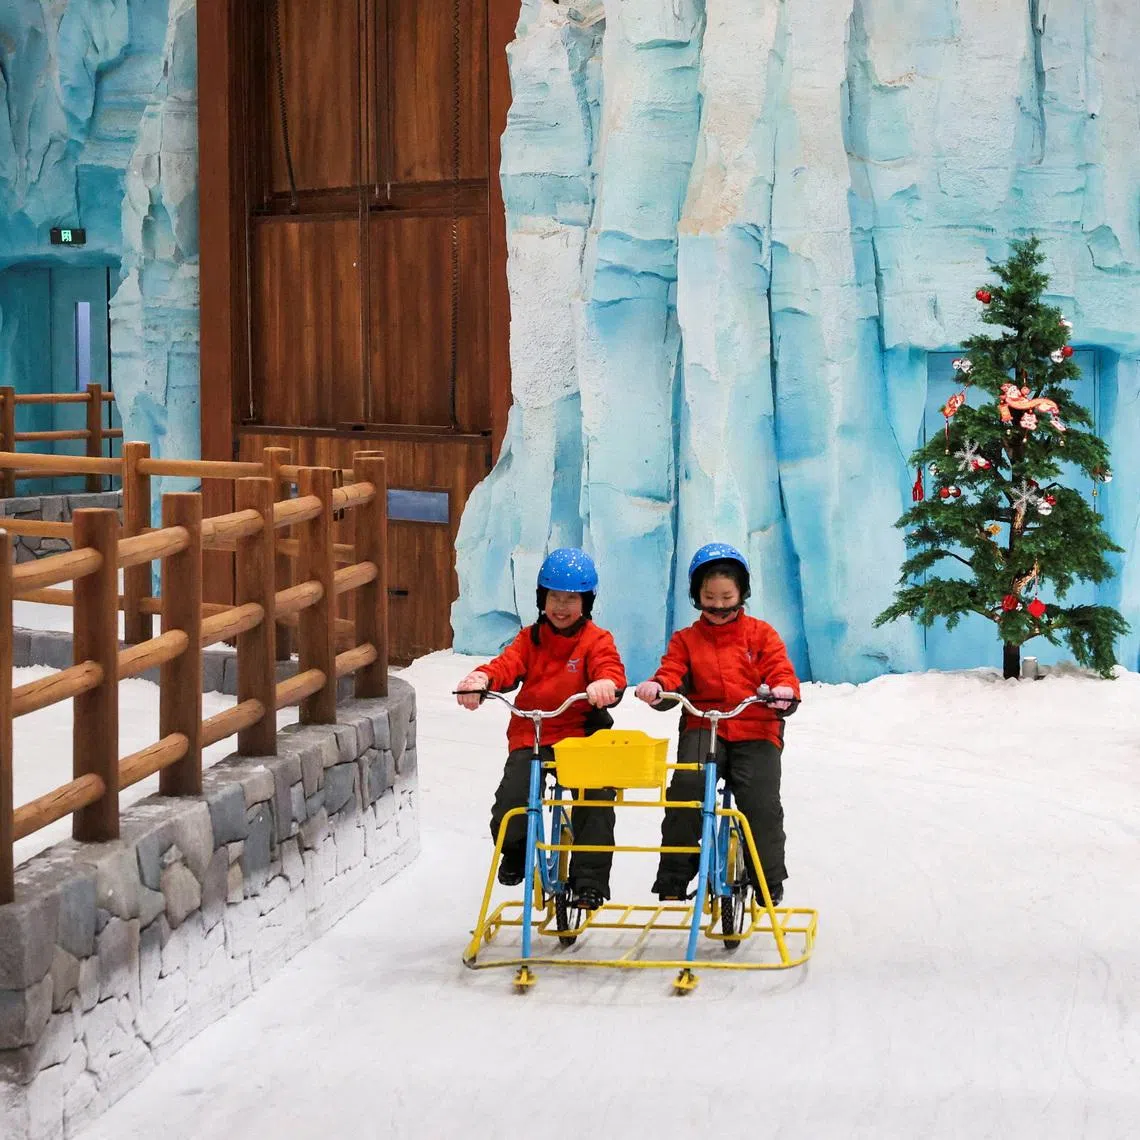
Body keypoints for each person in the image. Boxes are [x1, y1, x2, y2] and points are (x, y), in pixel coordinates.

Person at [456, 548, 627, 911]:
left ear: (586, 602)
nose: (561, 607)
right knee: (512, 801)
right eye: (553, 597)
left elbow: (609, 667)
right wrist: (482, 677)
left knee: (595, 800)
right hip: (533, 735)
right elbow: (507, 665)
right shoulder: (529, 639)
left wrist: (605, 685)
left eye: (570, 599)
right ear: (541, 599)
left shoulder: (596, 640)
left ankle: (590, 882)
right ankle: (515, 852)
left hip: (583, 737)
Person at [634, 543, 800, 905]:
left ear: (742, 593)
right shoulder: (687, 640)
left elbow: (779, 668)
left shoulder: (761, 634)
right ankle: (675, 875)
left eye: (727, 596)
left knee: (760, 800)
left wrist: (783, 690)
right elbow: (672, 672)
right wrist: (660, 688)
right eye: (710, 596)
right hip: (704, 727)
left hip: (756, 726)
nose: (719, 605)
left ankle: (767, 878)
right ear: (697, 596)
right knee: (687, 788)